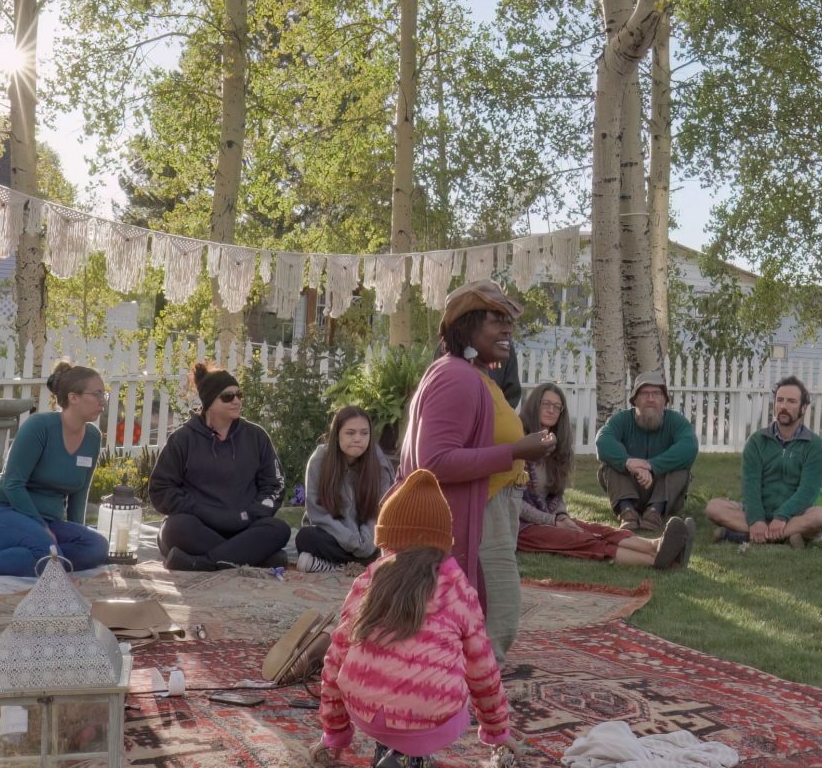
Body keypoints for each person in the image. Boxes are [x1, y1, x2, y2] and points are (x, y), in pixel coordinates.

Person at [310, 469, 515, 768]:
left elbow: (335, 660)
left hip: (366, 711)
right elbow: (483, 671)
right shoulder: (457, 587)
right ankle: (408, 757)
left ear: (386, 540)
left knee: (387, 686)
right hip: (428, 715)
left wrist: (334, 732)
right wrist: (496, 731)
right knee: (447, 690)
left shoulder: (369, 579)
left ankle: (388, 748)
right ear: (442, 542)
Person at [399, 281, 556, 662]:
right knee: (496, 614)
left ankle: (463, 686)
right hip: (476, 513)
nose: (508, 330)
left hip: (492, 507)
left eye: (509, 322)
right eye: (496, 320)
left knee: (490, 614)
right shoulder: (456, 377)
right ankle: (464, 693)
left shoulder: (474, 375)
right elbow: (433, 462)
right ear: (466, 326)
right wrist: (516, 451)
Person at [0, 361, 110, 576]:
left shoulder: (92, 438)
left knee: (97, 547)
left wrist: (76, 532)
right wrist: (41, 527)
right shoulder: (39, 427)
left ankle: (44, 558)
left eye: (104, 395)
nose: (103, 401)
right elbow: (12, 484)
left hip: (48, 523)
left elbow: (79, 493)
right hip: (2, 513)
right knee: (49, 552)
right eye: (97, 394)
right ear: (73, 397)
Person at [517, 383, 691, 568]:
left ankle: (655, 545)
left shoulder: (556, 447)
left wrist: (561, 516)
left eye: (557, 407)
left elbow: (556, 494)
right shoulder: (519, 442)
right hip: (520, 527)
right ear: (534, 405)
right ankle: (660, 561)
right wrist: (552, 521)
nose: (551, 410)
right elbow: (513, 503)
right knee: (579, 539)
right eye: (546, 404)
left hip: (548, 516)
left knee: (598, 529)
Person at [149, 362, 293, 571]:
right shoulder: (183, 439)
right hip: (199, 526)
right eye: (227, 397)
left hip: (245, 526)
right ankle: (254, 557)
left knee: (279, 529)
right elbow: (161, 489)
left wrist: (253, 513)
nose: (236, 401)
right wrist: (200, 510)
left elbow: (275, 484)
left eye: (239, 395)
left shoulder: (256, 436)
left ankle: (201, 563)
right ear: (209, 402)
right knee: (174, 529)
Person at [704, 377, 822, 547]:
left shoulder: (815, 445)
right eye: (780, 400)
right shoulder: (757, 441)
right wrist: (756, 519)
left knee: (820, 516)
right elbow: (751, 484)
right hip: (759, 510)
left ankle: (742, 535)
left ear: (804, 408)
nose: (783, 406)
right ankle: (783, 536)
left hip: (795, 514)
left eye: (791, 401)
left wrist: (781, 516)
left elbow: (808, 491)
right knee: (714, 507)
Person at [295, 406, 399, 573]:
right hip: (332, 533)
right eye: (350, 433)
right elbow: (317, 513)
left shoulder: (379, 464)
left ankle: (332, 566)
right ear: (337, 435)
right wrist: (350, 540)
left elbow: (379, 512)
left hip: (366, 538)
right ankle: (357, 566)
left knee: (387, 547)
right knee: (306, 537)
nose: (357, 439)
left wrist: (365, 541)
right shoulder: (320, 460)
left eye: (364, 433)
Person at [593, 373, 699, 532]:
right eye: (644, 393)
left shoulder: (676, 421)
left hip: (664, 492)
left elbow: (689, 446)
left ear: (665, 400)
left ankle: (655, 512)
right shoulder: (621, 419)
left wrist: (650, 465)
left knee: (681, 469)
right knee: (609, 466)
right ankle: (626, 511)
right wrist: (628, 463)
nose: (650, 398)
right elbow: (603, 441)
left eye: (656, 394)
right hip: (629, 486)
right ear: (634, 400)